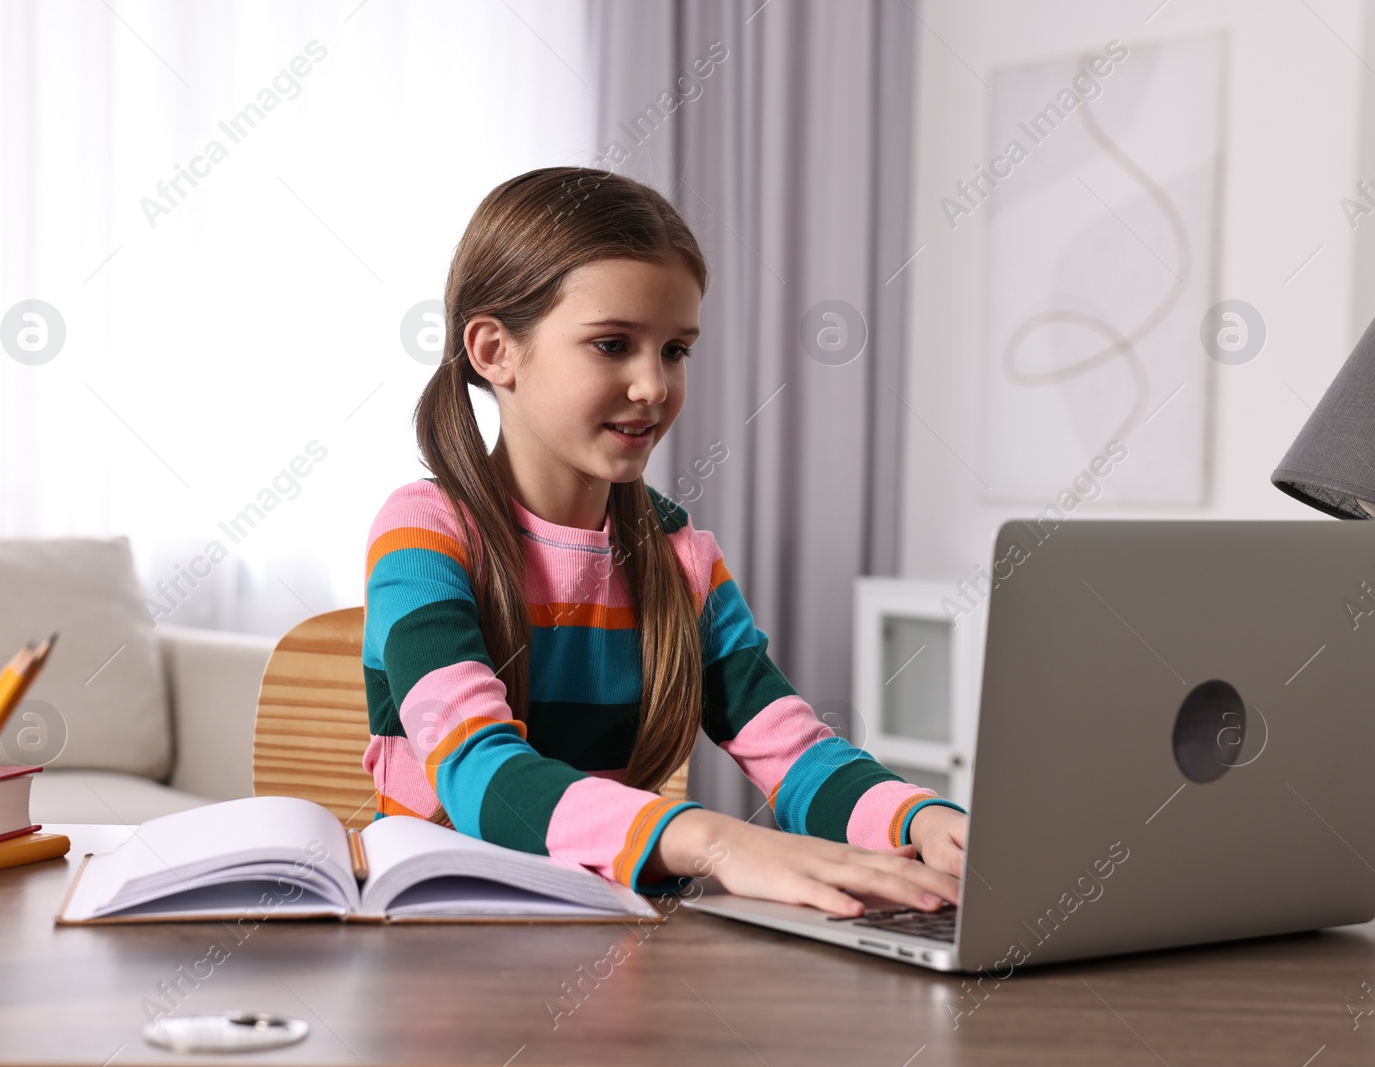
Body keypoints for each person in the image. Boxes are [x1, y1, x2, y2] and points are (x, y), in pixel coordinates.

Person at [362, 166, 967, 918]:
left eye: (676, 349)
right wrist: (714, 839)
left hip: (616, 944)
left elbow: (796, 754)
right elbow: (477, 772)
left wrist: (924, 819)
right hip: (441, 947)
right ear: (494, 350)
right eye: (613, 344)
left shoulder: (681, 559)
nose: (654, 384)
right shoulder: (424, 533)